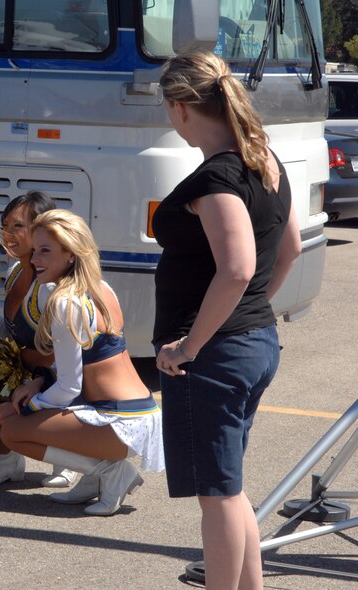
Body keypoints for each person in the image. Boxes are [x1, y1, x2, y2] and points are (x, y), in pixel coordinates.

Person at [153, 51, 300, 589]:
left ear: (182, 107)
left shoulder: (217, 178)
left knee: (216, 495)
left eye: (167, 108)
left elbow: (237, 269)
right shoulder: (266, 163)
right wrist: (249, 311)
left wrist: (190, 345)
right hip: (252, 342)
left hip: (214, 355)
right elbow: (288, 253)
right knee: (228, 487)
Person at [0, 209, 164, 516]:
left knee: (12, 431)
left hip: (118, 421)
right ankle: (94, 476)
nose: (35, 260)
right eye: (35, 250)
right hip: (136, 414)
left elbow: (70, 387)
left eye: (46, 251)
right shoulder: (99, 287)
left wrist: (25, 407)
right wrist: (38, 382)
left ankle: (111, 473)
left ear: (71, 255)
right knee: (41, 412)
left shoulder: (65, 302)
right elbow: (76, 367)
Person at [0, 191, 79, 489]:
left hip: (54, 384)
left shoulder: (54, 286)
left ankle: (68, 457)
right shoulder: (16, 271)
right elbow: (13, 330)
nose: (8, 234)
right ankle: (9, 460)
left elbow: (68, 357)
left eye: (18, 226)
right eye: (5, 225)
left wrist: (39, 382)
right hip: (23, 377)